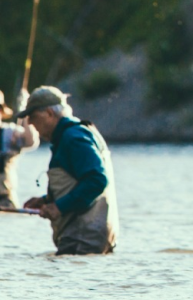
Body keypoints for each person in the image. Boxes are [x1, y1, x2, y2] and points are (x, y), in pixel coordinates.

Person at [18, 86, 118, 255]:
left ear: (49, 113)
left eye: (32, 116)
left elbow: (97, 180)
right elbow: (78, 182)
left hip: (83, 238)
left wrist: (59, 207)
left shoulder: (73, 138)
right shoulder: (72, 135)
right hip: (88, 238)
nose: (29, 123)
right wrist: (47, 200)